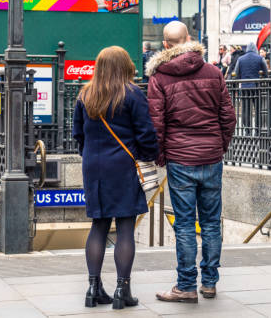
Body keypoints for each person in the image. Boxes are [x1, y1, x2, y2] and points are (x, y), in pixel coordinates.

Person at [147, 21, 236, 303]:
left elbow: (156, 123)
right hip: (211, 157)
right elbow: (228, 116)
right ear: (189, 39)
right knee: (211, 223)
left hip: (180, 158)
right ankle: (209, 282)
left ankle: (186, 285)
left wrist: (160, 154)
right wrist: (220, 145)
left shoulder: (159, 77)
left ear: (165, 45)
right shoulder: (213, 72)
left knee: (185, 224)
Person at [73, 46, 159, 309]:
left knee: (98, 225)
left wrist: (90, 156)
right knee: (124, 226)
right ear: (125, 66)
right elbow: (146, 133)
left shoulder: (85, 94)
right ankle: (123, 289)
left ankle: (93, 287)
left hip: (94, 167)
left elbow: (78, 134)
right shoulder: (132, 94)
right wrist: (146, 155)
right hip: (123, 166)